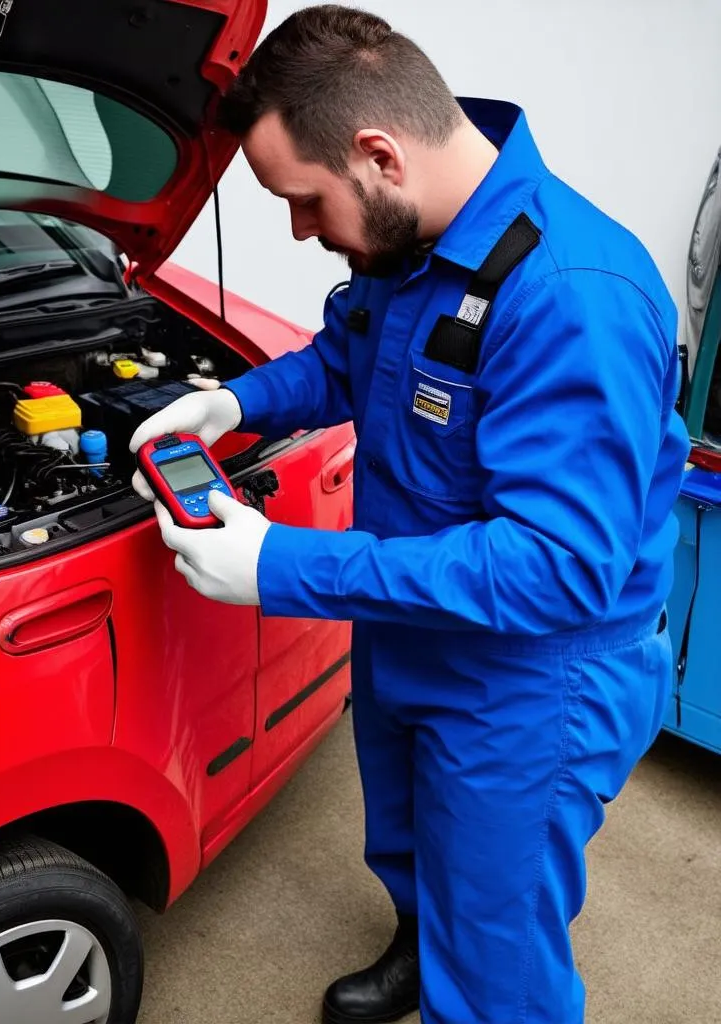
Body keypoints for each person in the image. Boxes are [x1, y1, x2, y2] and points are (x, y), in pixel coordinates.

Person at [128, 6, 691, 1023]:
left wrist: (282, 565)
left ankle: (466, 979)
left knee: (497, 950)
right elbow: (343, 359)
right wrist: (232, 404)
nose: (302, 231)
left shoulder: (571, 294)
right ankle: (423, 942)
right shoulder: (406, 246)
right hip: (415, 619)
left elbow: (556, 567)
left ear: (377, 153)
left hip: (530, 678)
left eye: (302, 201)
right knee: (407, 840)